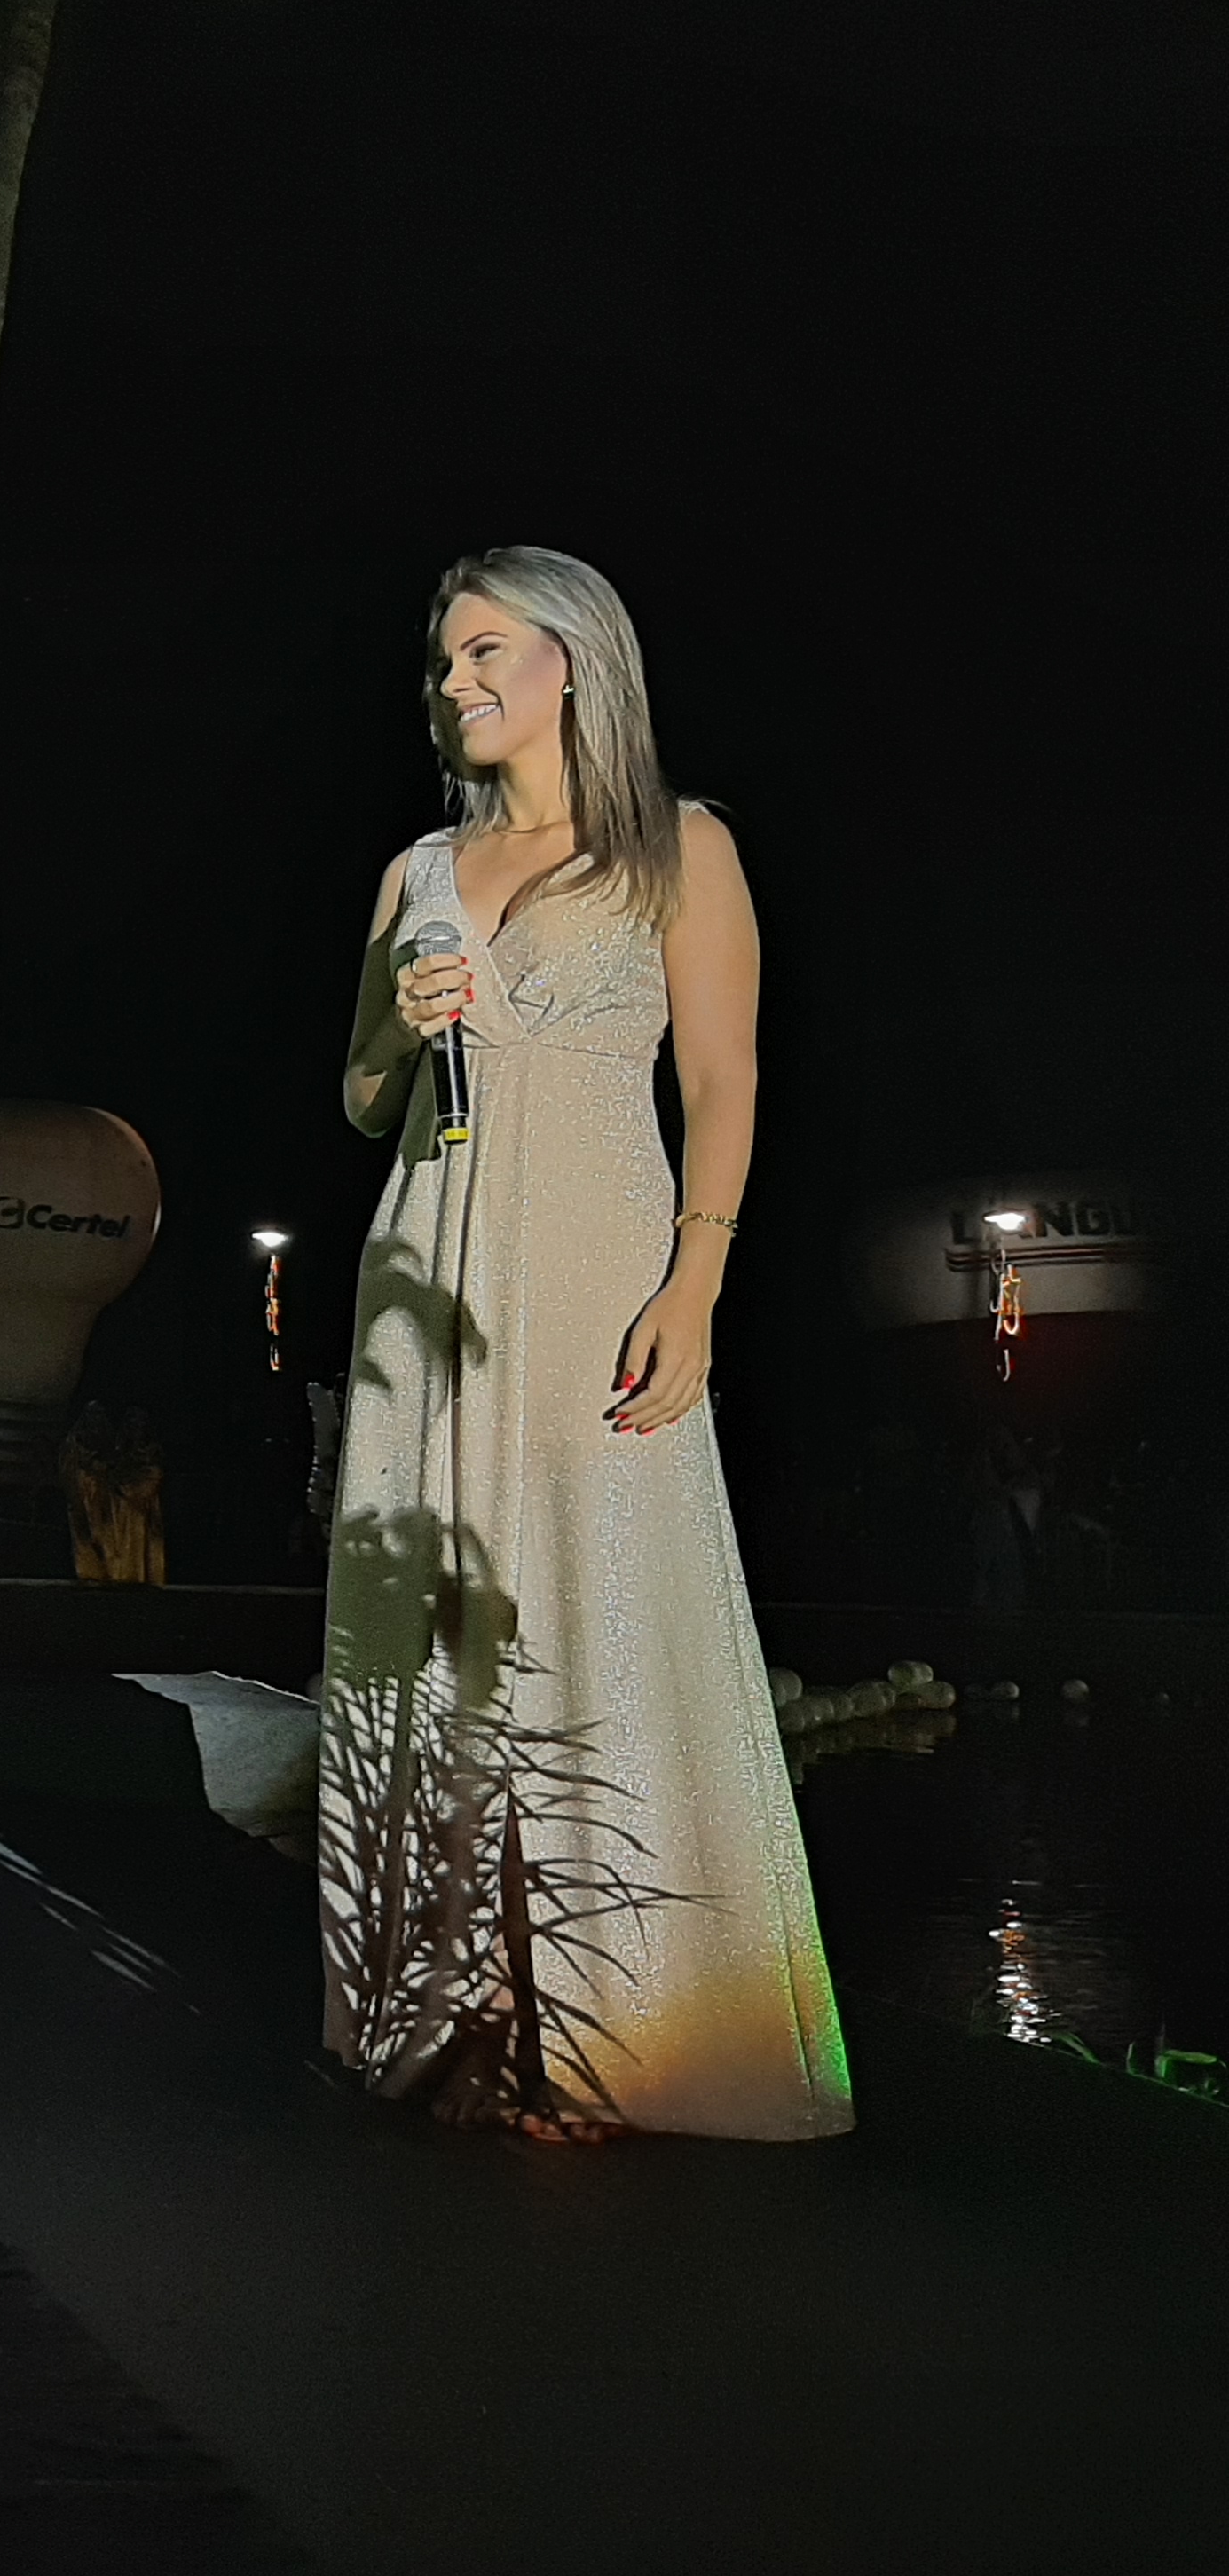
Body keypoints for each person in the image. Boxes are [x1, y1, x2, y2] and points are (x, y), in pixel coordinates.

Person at [317, 544, 849, 2145]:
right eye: (443, 660)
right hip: (430, 1264)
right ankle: (451, 2009)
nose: (455, 681)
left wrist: (695, 1285)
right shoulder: (417, 868)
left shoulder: (680, 847)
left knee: (599, 1599)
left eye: (486, 649)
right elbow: (359, 1098)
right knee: (430, 1620)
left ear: (574, 660)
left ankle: (629, 2026)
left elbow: (725, 1083)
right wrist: (397, 1023)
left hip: (602, 1256)